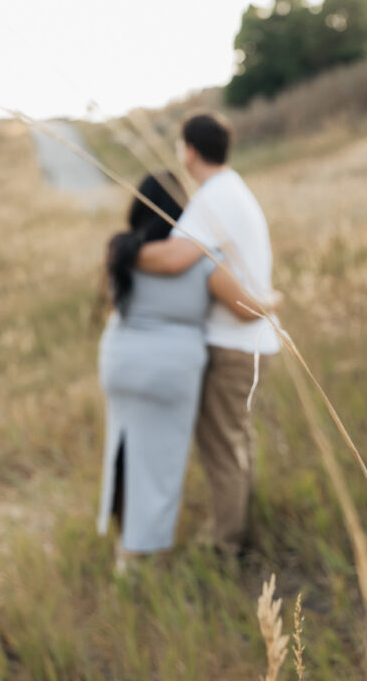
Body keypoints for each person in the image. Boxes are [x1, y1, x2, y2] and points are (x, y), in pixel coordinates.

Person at [97, 173, 268, 565]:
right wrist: (273, 301)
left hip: (119, 358)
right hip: (171, 365)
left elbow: (114, 300)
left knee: (124, 451)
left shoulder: (121, 250)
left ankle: (125, 552)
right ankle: (151, 555)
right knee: (162, 463)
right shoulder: (205, 259)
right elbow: (246, 311)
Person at [138, 112, 279, 556]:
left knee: (221, 449)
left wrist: (125, 254)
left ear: (189, 150)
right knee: (236, 441)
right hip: (251, 339)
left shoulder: (213, 197)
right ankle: (239, 526)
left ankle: (226, 545)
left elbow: (174, 259)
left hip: (232, 342)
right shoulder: (234, 189)